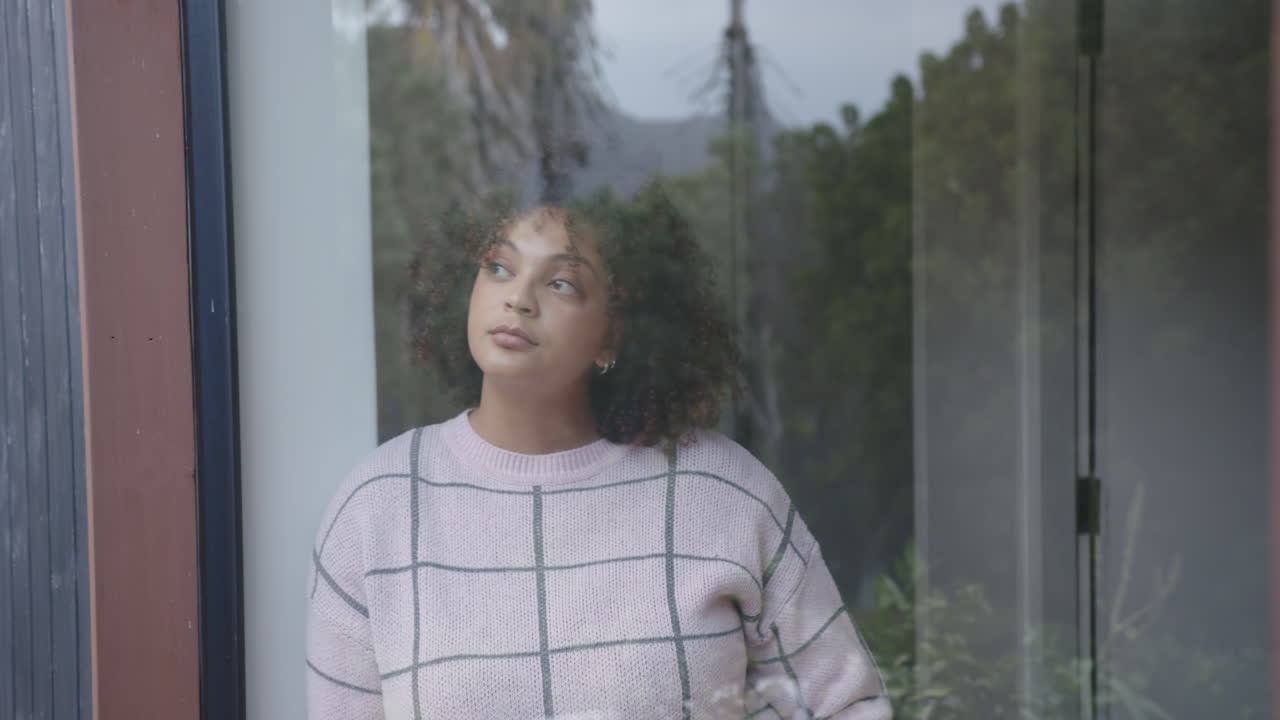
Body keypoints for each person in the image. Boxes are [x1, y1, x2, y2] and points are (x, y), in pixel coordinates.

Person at [306, 183, 891, 719]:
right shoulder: (377, 507)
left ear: (612, 332)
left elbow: (847, 706)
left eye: (561, 281)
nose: (519, 299)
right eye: (500, 267)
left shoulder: (725, 493)